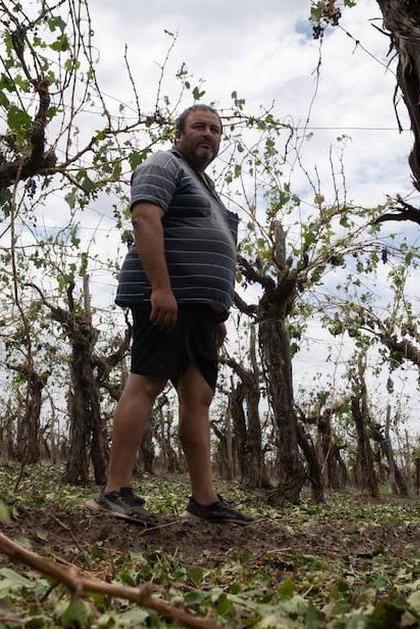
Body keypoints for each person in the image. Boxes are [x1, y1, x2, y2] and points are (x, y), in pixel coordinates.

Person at [86, 104, 253, 527]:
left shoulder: (207, 187)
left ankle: (204, 500)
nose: (209, 134)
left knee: (198, 397)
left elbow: (217, 249)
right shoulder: (164, 164)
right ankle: (113, 490)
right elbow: (145, 219)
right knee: (146, 381)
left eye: (216, 130)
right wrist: (161, 288)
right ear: (178, 133)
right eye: (200, 126)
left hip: (200, 307)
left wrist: (218, 309)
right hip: (167, 297)